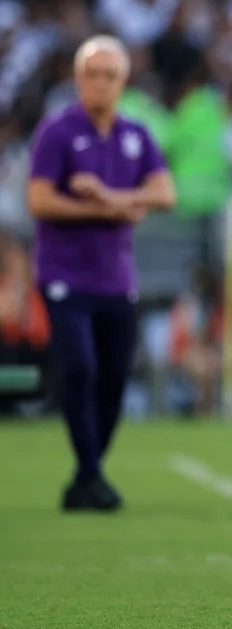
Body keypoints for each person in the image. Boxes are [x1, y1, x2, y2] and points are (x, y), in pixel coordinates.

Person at [26, 35, 176, 512]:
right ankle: (90, 472)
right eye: (92, 74)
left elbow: (165, 193)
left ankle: (87, 476)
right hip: (64, 274)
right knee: (79, 367)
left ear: (123, 82)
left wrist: (109, 197)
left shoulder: (135, 134)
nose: (101, 83)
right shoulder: (57, 131)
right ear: (78, 79)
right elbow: (39, 200)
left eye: (109, 75)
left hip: (115, 277)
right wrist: (109, 208)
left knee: (114, 375)